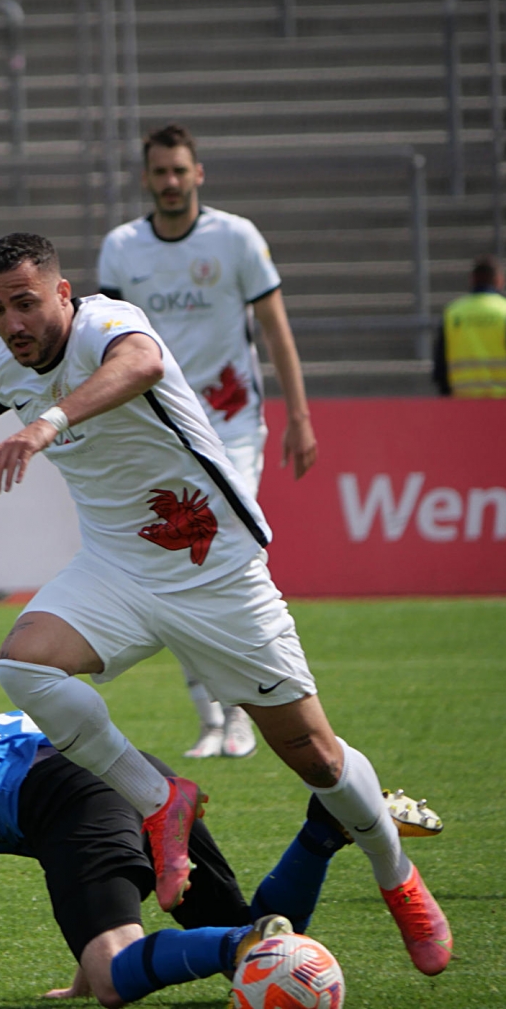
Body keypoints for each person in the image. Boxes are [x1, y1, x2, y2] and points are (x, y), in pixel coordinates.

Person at [0, 232, 451, 977]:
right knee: (24, 664)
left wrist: (48, 422)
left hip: (212, 568)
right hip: (117, 570)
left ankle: (399, 881)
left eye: (26, 303)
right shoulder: (3, 365)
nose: (12, 324)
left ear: (63, 294)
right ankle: (162, 801)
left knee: (316, 756)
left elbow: (144, 364)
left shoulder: (108, 326)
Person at [0, 682, 352, 1009]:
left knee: (115, 980)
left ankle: (242, 940)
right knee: (250, 950)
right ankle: (319, 835)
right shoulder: (18, 722)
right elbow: (75, 859)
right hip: (143, 774)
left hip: (67, 796)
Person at [98, 123, 317, 760]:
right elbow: (105, 347)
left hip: (233, 423)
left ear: (199, 174)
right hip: (159, 431)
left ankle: (246, 711)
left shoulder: (236, 238)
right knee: (177, 567)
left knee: (217, 552)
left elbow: (275, 329)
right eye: (159, 171)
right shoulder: (122, 249)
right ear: (146, 178)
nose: (170, 182)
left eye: (179, 170)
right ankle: (214, 717)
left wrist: (300, 416)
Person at [433, 254, 506, 397]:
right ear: (499, 280)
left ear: (472, 280)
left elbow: (440, 367)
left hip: (462, 407)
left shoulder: (453, 314)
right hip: (505, 406)